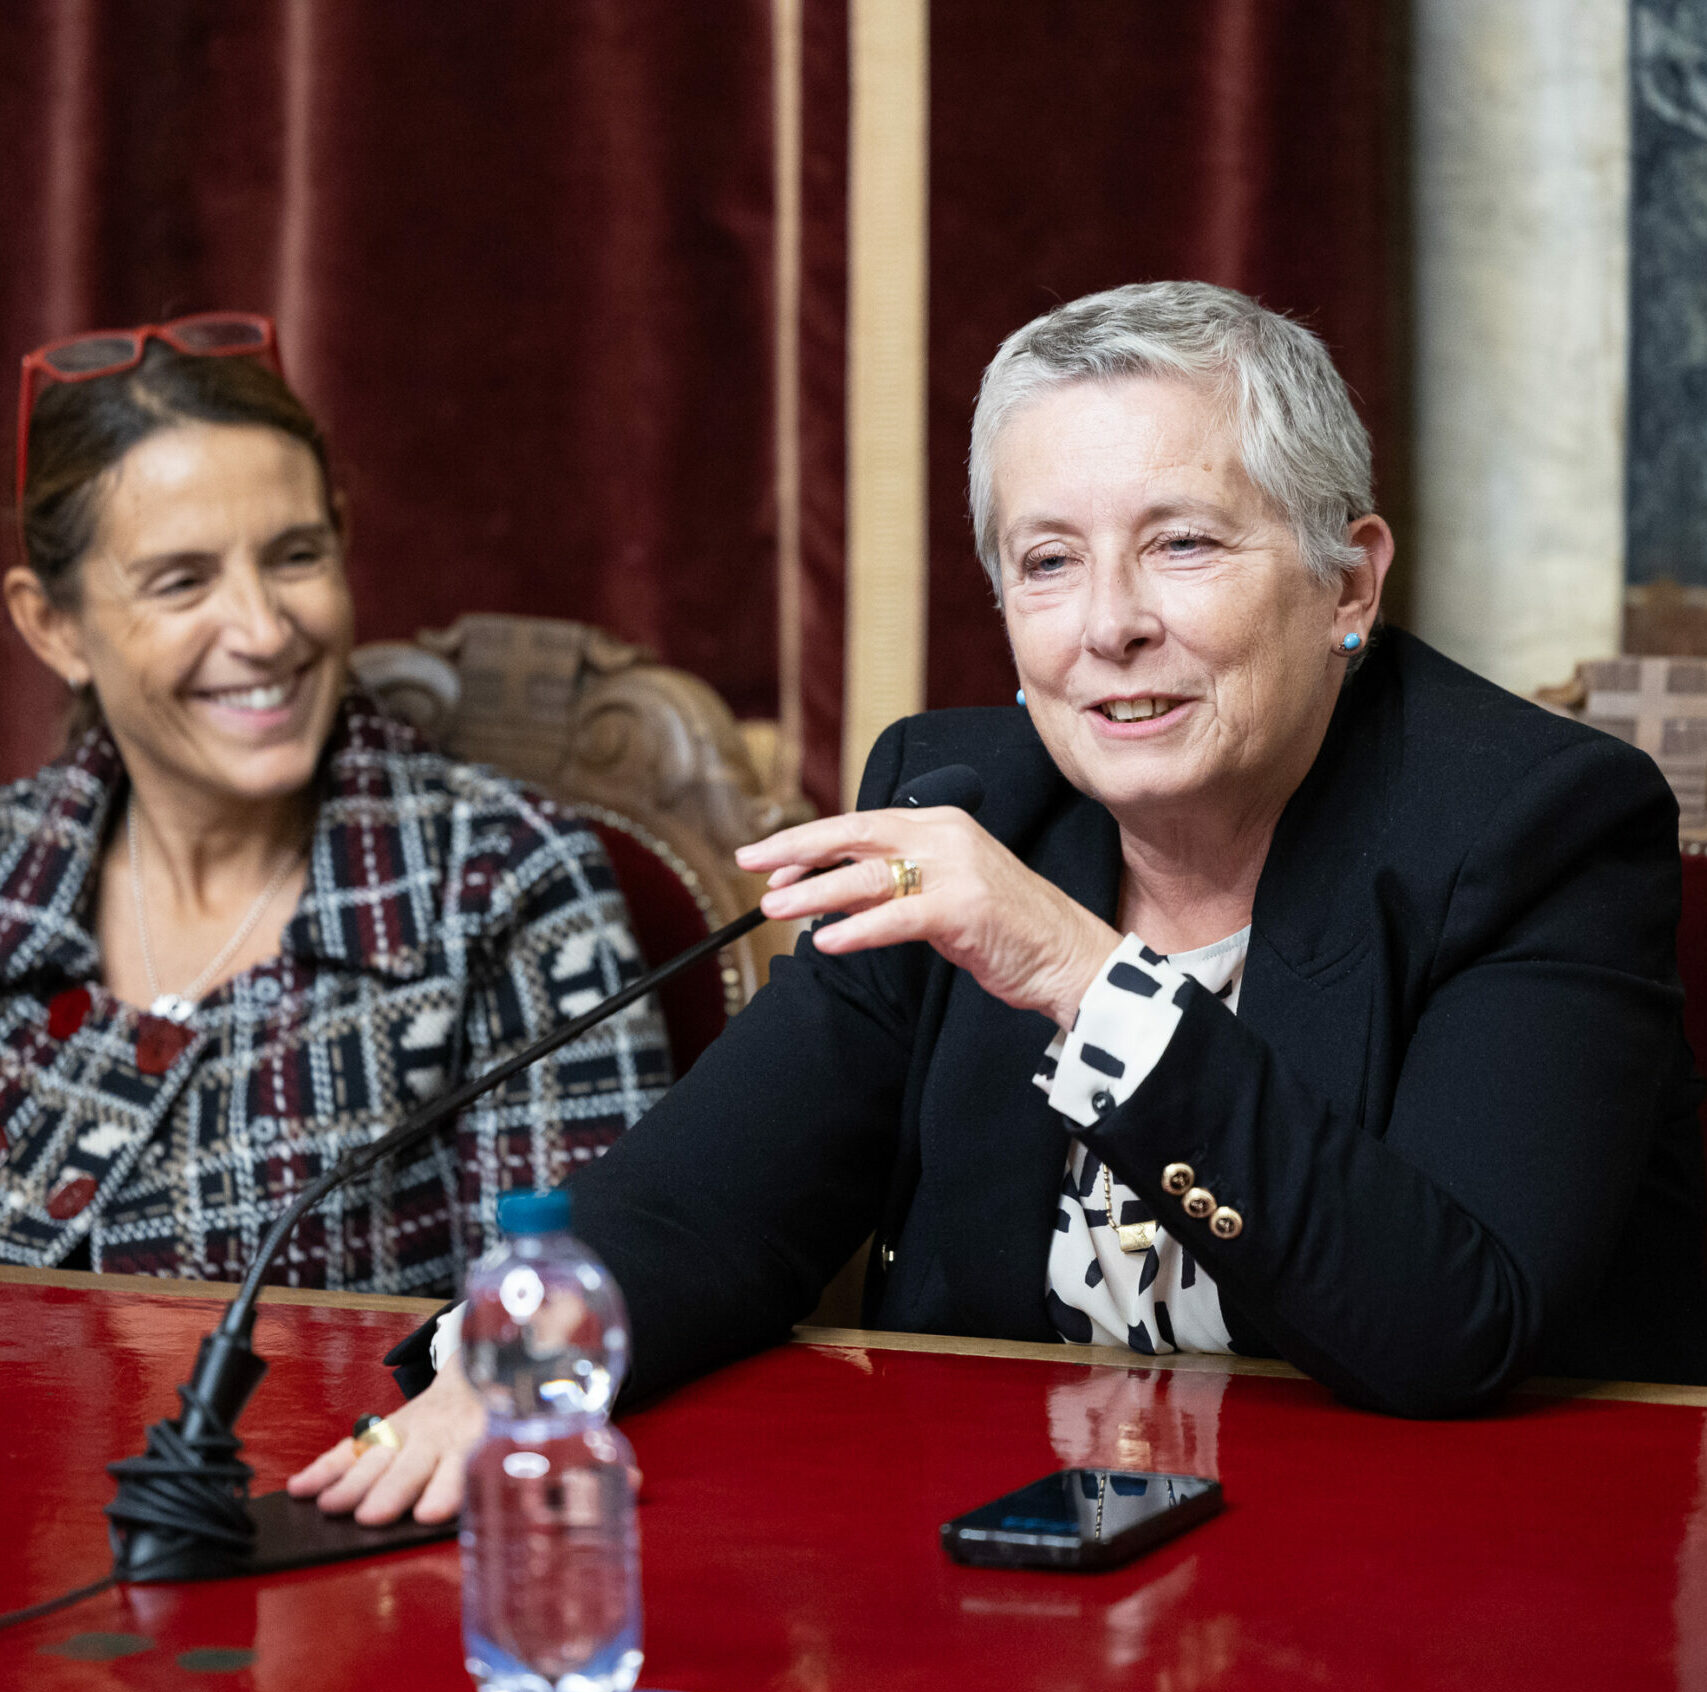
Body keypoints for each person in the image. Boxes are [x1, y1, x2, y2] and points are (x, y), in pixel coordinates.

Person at [292, 280, 1707, 1529]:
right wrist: (515, 1357)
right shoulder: (962, 799)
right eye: (1047, 561)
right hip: (1014, 1565)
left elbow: (1454, 1326)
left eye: (1182, 544)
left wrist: (1081, 976)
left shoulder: (1537, 828)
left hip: (1433, 1573)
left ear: (1348, 579)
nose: (1108, 624)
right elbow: (709, 1204)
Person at [1, 314, 669, 1296]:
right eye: (182, 581)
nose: (264, 630)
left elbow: (558, 1321)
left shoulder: (506, 881)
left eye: (295, 556)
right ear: (53, 625)